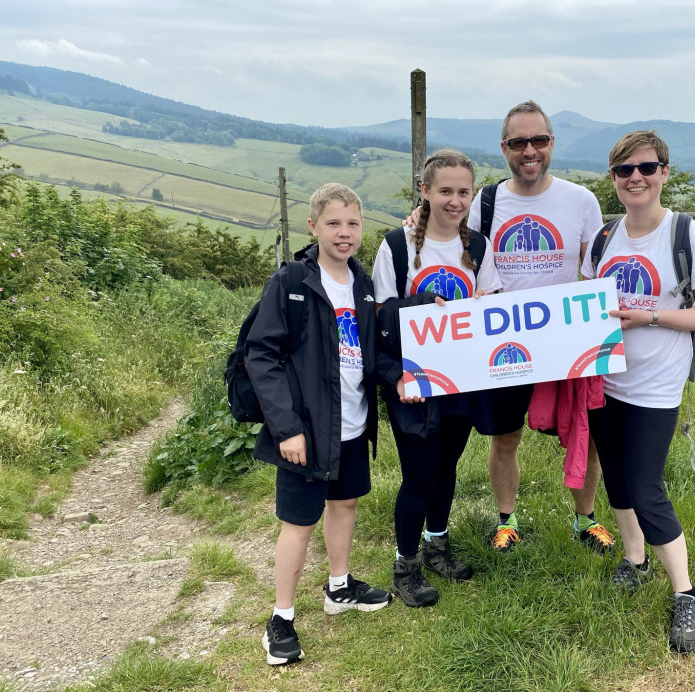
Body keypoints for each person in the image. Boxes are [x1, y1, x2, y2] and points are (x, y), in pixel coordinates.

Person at [580, 131, 695, 653]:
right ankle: (634, 558)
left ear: (665, 172)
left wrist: (648, 316)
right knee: (617, 480)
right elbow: (583, 307)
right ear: (614, 179)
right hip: (605, 380)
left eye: (646, 167)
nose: (635, 178)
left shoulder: (688, 235)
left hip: (655, 387)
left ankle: (687, 593)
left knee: (646, 488)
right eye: (624, 170)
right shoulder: (603, 239)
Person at [247, 183, 391, 666]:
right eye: (333, 223)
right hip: (305, 431)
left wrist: (407, 378)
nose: (344, 233)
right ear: (313, 227)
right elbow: (261, 356)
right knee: (299, 523)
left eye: (352, 223)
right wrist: (286, 428)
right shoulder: (293, 283)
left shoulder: (364, 283)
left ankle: (339, 587)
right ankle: (280, 619)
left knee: (345, 502)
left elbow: (370, 354)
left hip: (351, 424)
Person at [468, 101, 614, 553]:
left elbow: (598, 269)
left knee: (582, 433)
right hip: (504, 342)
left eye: (539, 140)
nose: (529, 151)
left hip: (564, 340)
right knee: (505, 436)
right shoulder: (486, 202)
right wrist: (416, 223)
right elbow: (458, 251)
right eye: (518, 142)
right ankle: (506, 521)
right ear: (504, 148)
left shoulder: (580, 200)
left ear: (552, 143)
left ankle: (585, 520)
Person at [373, 150, 502, 607]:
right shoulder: (397, 245)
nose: (455, 200)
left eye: (463, 192)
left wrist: (487, 302)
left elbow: (493, 312)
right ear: (424, 191)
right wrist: (424, 303)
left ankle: (436, 545)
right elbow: (379, 318)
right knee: (419, 474)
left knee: (446, 467)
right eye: (445, 191)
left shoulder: (480, 246)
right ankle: (405, 565)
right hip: (414, 385)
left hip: (462, 379)